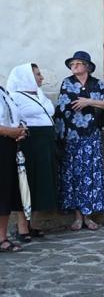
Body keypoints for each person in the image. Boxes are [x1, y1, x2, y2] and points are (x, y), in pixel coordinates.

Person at [55, 51, 104, 230]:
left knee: (91, 175)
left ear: (87, 66)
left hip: (91, 136)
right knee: (75, 176)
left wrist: (89, 101)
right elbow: (62, 108)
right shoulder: (67, 83)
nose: (74, 66)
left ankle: (89, 216)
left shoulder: (97, 84)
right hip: (72, 137)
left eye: (78, 63)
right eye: (72, 64)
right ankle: (78, 217)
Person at [7, 63, 58, 242]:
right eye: (37, 74)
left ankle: (34, 223)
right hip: (30, 143)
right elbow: (12, 119)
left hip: (46, 143)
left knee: (42, 182)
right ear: (27, 77)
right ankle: (22, 227)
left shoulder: (40, 94)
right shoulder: (14, 97)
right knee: (26, 183)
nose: (41, 78)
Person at [0, 85, 27, 252]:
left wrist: (20, 131)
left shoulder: (3, 91)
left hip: (7, 145)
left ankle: (1, 237)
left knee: (5, 191)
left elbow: (14, 114)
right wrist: (10, 131)